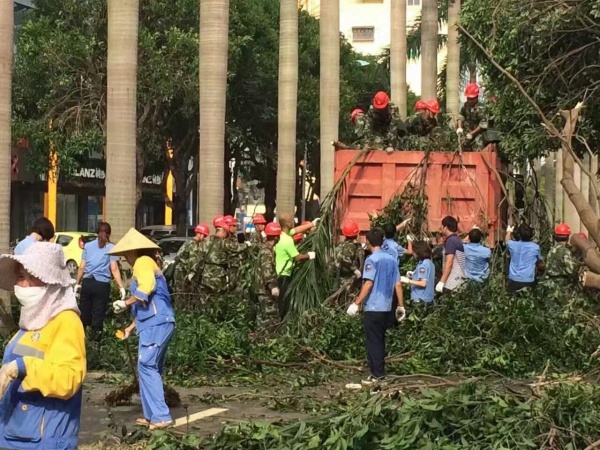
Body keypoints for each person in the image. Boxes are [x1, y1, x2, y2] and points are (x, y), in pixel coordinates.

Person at [0, 242, 85, 449]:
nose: (24, 284)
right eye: (21, 277)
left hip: (45, 440)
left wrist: (23, 367)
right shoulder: (29, 323)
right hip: (15, 434)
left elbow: (69, 378)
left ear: (52, 283)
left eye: (33, 277)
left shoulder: (66, 321)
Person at [109, 228, 176, 430]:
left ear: (132, 252)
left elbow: (147, 288)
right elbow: (146, 304)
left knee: (146, 365)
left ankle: (162, 417)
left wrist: (126, 303)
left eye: (124, 256)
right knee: (148, 367)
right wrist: (130, 327)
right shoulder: (147, 263)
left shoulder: (142, 262)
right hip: (154, 323)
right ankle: (151, 415)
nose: (124, 259)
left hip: (157, 322)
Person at [346, 227, 405, 386]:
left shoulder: (372, 260)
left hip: (373, 307)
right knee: (380, 340)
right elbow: (398, 284)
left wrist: (356, 303)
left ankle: (377, 375)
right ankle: (378, 372)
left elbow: (368, 284)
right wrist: (401, 306)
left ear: (368, 241)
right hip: (387, 307)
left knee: (373, 341)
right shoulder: (391, 259)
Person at [75, 222, 126, 342]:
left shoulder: (88, 246)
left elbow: (82, 266)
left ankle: (81, 341)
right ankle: (96, 342)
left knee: (84, 313)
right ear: (109, 234)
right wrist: (121, 287)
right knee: (98, 314)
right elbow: (114, 268)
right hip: (102, 285)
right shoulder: (111, 248)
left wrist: (77, 283)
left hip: (88, 282)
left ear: (97, 232)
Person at [275, 214, 316, 318]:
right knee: (283, 303)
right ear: (288, 223)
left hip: (279, 274)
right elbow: (297, 257)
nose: (293, 221)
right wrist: (309, 255)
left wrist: (312, 223)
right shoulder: (287, 241)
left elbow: (297, 230)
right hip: (283, 276)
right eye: (291, 220)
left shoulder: (283, 235)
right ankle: (281, 324)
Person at [254, 223, 282, 330]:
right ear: (276, 237)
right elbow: (267, 270)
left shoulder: (265, 249)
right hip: (265, 290)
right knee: (272, 317)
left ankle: (260, 340)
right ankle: (269, 339)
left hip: (261, 289)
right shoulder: (266, 251)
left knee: (262, 318)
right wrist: (272, 285)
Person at [505, 224, 544, 293]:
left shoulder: (512, 245)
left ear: (519, 235)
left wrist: (509, 231)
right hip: (528, 281)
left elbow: (507, 240)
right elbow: (540, 263)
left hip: (514, 280)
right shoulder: (535, 247)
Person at [543, 223, 581, 287]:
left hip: (550, 283)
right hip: (561, 284)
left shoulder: (552, 250)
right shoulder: (566, 251)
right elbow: (570, 270)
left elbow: (547, 266)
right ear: (567, 237)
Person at [174, 223, 210, 291]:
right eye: (204, 235)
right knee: (182, 292)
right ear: (199, 233)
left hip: (181, 270)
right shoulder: (193, 244)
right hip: (182, 271)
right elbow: (193, 260)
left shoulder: (190, 242)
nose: (204, 238)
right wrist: (192, 272)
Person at [456, 83, 493, 150]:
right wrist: (459, 128)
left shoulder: (481, 108)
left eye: (471, 99)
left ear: (476, 97)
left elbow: (482, 125)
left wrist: (472, 134)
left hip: (478, 135)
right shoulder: (466, 105)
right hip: (467, 133)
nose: (469, 100)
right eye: (468, 98)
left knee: (477, 150)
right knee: (460, 149)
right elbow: (460, 117)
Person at [436, 216, 466, 293]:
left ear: (445, 227)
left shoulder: (450, 241)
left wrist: (441, 282)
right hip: (459, 281)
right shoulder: (456, 240)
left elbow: (449, 262)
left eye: (442, 226)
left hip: (452, 283)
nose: (441, 228)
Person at [401, 240, 435, 305]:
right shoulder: (429, 262)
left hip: (420, 299)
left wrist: (408, 281)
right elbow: (426, 277)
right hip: (428, 298)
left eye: (414, 251)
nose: (413, 253)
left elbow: (423, 283)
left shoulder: (423, 265)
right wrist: (414, 275)